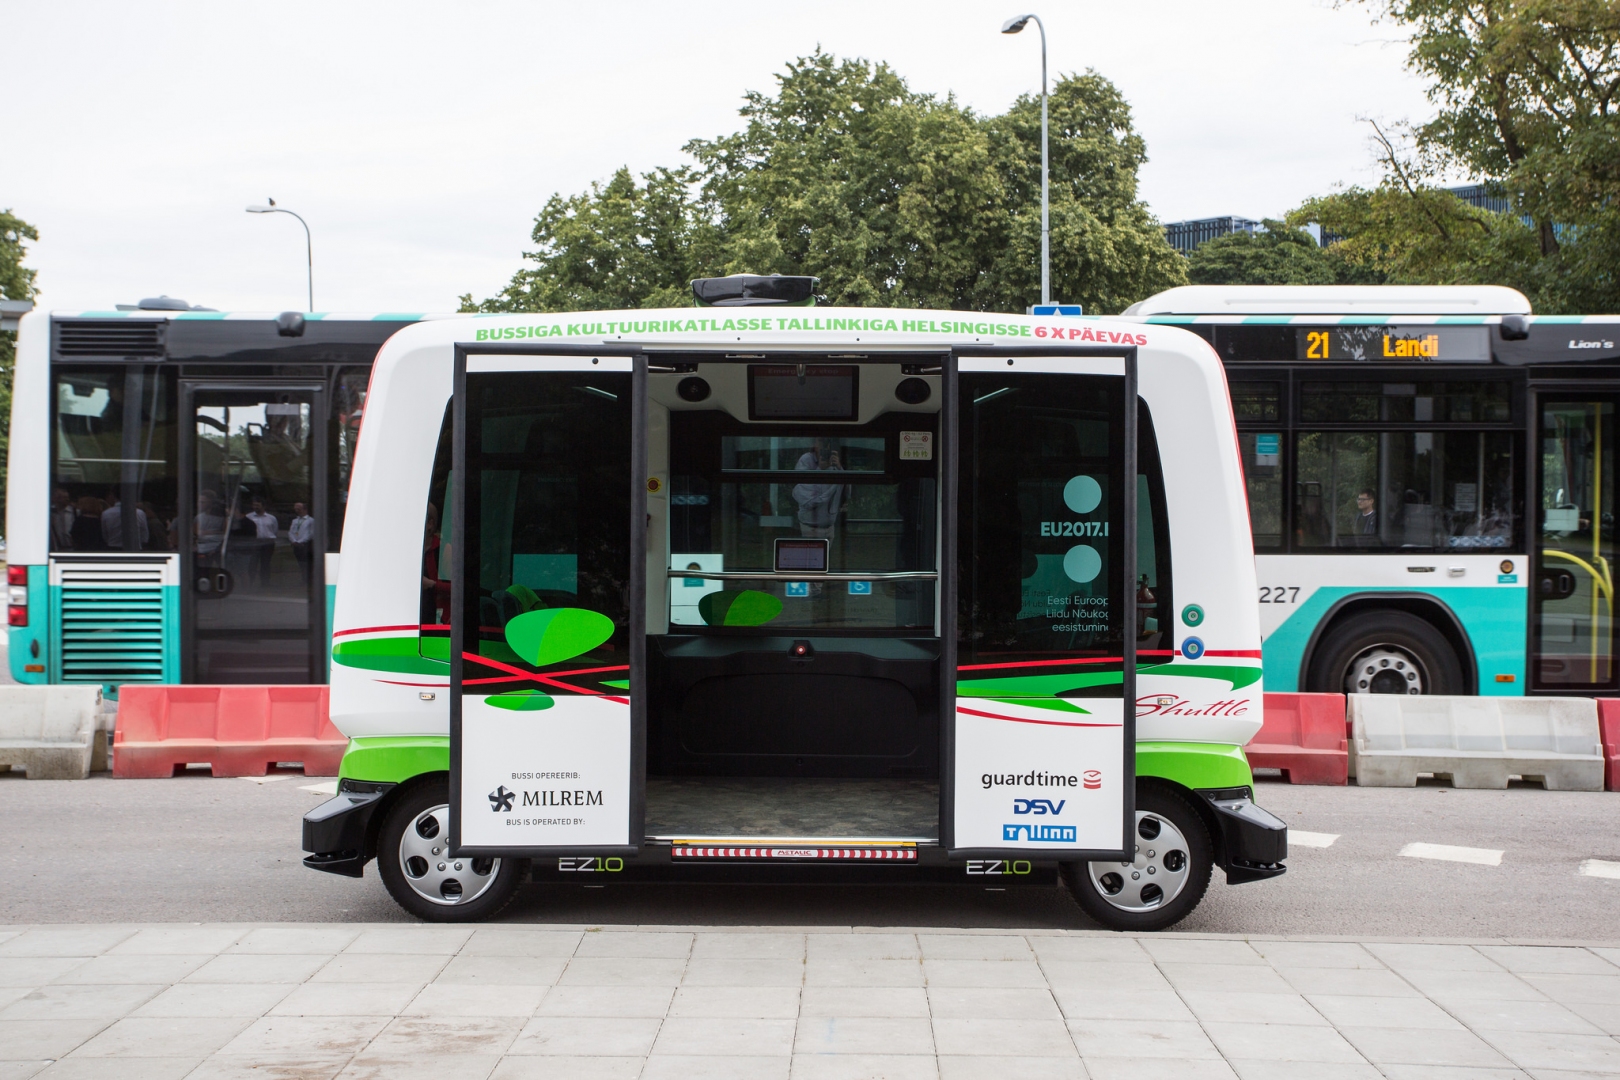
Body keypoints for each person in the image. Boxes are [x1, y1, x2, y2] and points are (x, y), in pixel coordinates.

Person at [791, 438, 847, 539]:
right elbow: (808, 498)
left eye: (827, 442)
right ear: (814, 444)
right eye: (821, 441)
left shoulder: (834, 463)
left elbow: (846, 493)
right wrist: (820, 470)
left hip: (829, 527)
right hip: (810, 527)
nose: (824, 446)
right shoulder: (806, 460)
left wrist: (840, 469)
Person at [246, 498, 279, 586]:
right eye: (254, 505)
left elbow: (274, 530)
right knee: (252, 563)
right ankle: (251, 581)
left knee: (265, 563)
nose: (255, 507)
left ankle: (265, 582)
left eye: (257, 505)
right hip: (254, 542)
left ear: (263, 506)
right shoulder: (249, 517)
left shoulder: (271, 518)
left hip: (268, 543)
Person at [193, 491, 227, 566]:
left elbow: (225, 533)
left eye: (203, 502)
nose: (200, 504)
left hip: (218, 549)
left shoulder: (222, 518)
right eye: (199, 502)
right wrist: (216, 532)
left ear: (211, 503)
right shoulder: (199, 517)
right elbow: (197, 532)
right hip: (202, 550)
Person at [289, 501, 316, 586]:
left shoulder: (311, 520)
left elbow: (311, 533)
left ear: (305, 509)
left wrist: (301, 541)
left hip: (305, 544)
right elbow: (291, 532)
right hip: (296, 544)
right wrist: (293, 540)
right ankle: (304, 579)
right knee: (300, 563)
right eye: (296, 509)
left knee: (307, 563)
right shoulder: (295, 521)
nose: (297, 511)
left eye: (299, 509)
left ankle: (309, 579)